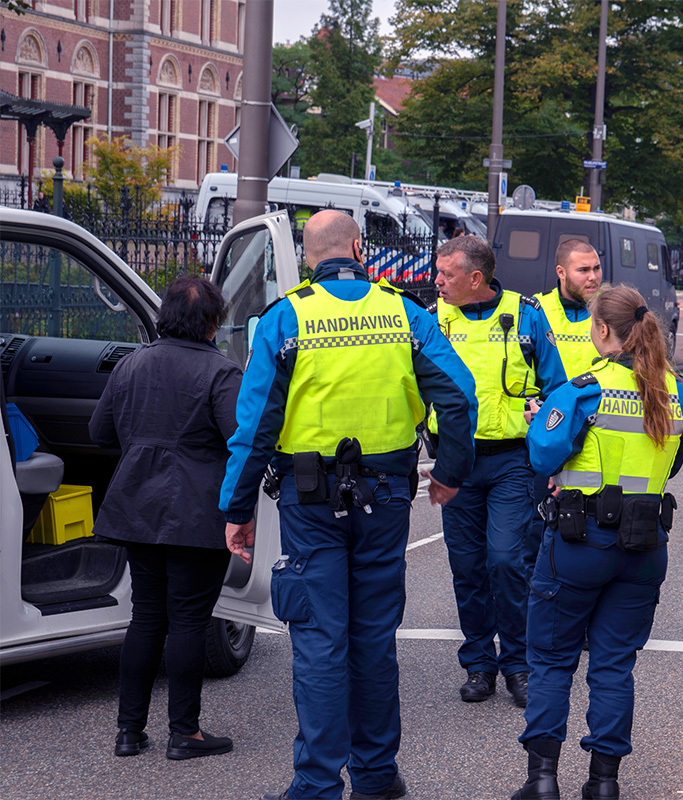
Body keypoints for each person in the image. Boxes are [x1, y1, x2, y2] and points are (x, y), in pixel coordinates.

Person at [220, 210, 477, 800]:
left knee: (318, 639)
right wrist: (451, 474)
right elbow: (458, 398)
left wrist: (237, 509)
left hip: (310, 503)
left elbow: (256, 424)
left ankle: (314, 787)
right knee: (372, 639)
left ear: (310, 257)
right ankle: (378, 777)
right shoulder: (405, 314)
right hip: (385, 497)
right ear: (359, 248)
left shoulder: (286, 319)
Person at [511, 284, 683, 800]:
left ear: (602, 331)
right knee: (614, 665)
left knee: (550, 661)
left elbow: (544, 458)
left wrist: (536, 424)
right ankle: (603, 784)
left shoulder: (582, 390)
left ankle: (542, 782)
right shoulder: (676, 390)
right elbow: (672, 462)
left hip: (578, 541)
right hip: (644, 547)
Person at [89, 277, 241, 761]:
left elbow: (98, 432)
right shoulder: (221, 373)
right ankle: (184, 732)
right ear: (213, 321)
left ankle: (129, 732)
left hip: (136, 506)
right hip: (195, 513)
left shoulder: (131, 364)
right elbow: (240, 441)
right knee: (190, 621)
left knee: (146, 617)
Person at [430, 235, 567, 708]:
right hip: (456, 461)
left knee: (507, 560)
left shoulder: (527, 316)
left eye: (446, 274)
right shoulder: (434, 321)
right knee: (466, 567)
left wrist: (549, 442)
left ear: (475, 278)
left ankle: (518, 664)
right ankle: (478, 664)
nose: (437, 281)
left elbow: (558, 391)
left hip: (512, 460)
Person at [540, 239, 602, 380]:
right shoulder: (538, 309)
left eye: (597, 268)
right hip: (551, 401)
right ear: (561, 272)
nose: (593, 277)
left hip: (597, 401)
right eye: (583, 270)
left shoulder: (611, 309)